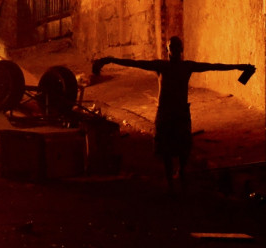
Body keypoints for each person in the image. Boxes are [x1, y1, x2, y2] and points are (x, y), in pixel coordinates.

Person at [92, 36, 255, 193]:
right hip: (169, 110)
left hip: (177, 110)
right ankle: (172, 178)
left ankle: (180, 172)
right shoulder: (166, 66)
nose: (175, 51)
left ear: (180, 50)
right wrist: (111, 59)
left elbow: (215, 66)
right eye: (172, 48)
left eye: (177, 48)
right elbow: (135, 63)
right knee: (168, 148)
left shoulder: (181, 66)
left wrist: (239, 66)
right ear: (168, 50)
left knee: (181, 145)